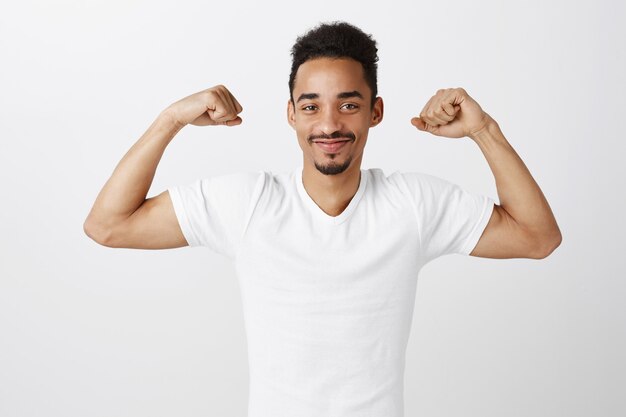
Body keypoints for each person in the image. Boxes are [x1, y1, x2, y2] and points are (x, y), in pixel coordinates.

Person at [84, 21, 561, 417]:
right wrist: (171, 119)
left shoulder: (412, 204)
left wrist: (483, 130)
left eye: (348, 104)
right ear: (291, 114)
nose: (329, 124)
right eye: (311, 105)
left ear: (375, 112)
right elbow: (108, 225)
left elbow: (537, 237)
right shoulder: (250, 203)